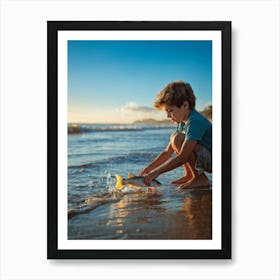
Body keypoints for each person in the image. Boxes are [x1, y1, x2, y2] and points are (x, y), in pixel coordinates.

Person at [139, 81, 212, 189]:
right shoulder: (183, 122)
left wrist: (156, 173)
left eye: (170, 111)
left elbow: (183, 157)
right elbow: (167, 152)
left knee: (178, 138)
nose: (168, 116)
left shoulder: (195, 121)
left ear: (185, 105)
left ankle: (200, 178)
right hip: (205, 158)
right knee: (175, 137)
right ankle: (191, 175)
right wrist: (148, 169)